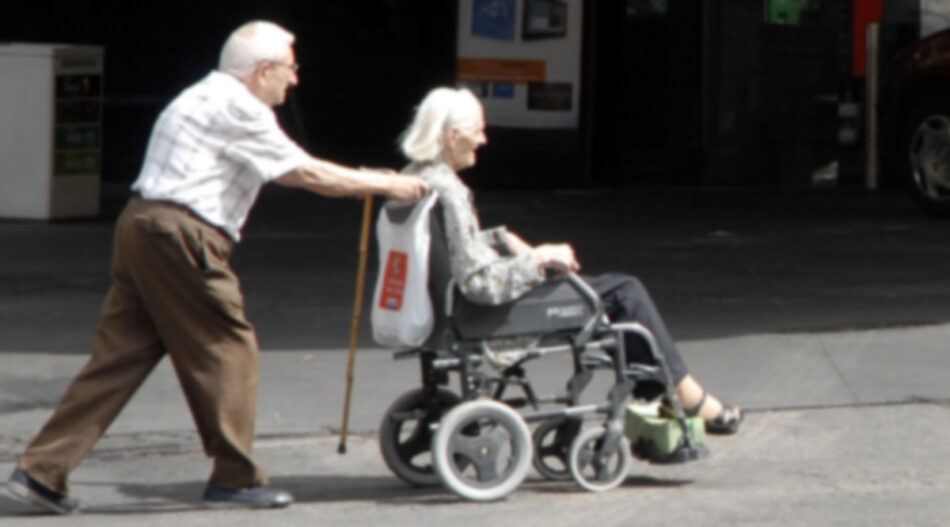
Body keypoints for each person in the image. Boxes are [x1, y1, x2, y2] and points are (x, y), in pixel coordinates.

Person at [6, 20, 428, 514]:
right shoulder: (239, 107)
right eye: (289, 70)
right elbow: (303, 172)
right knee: (230, 347)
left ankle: (41, 471)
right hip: (182, 234)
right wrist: (383, 184)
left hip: (143, 225)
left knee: (121, 357)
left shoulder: (201, 95)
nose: (294, 80)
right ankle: (236, 478)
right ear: (263, 70)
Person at [398, 86, 742, 435]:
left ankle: (662, 391)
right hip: (485, 314)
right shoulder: (450, 194)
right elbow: (478, 282)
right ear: (453, 136)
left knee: (612, 291)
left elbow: (457, 247)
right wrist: (542, 257)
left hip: (456, 306)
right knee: (625, 293)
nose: (484, 139)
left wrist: (503, 239)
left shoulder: (418, 176)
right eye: (478, 131)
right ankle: (684, 395)